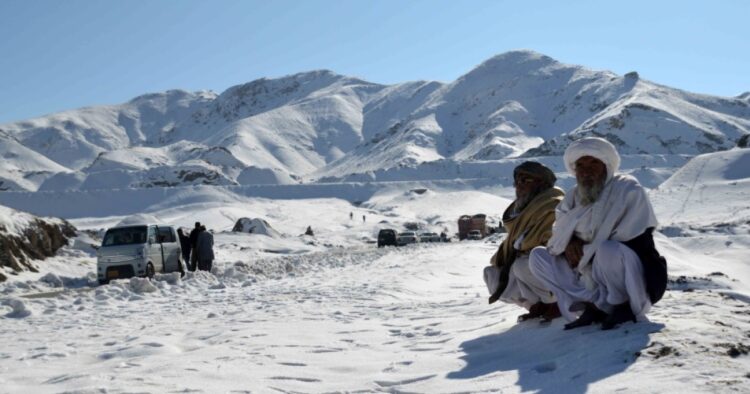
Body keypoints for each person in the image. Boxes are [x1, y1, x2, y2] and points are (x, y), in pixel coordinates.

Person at [529, 137, 668, 330]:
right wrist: (569, 242)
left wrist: (580, 248)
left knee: (607, 250)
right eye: (581, 164)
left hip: (625, 268)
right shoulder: (572, 197)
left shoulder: (627, 188)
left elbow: (627, 236)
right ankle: (593, 304)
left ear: (607, 165)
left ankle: (621, 305)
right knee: (538, 256)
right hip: (585, 270)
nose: (586, 170)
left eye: (594, 162)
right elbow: (557, 236)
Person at [483, 161, 565, 322]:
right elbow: (516, 241)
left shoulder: (553, 203)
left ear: (541, 183)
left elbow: (553, 236)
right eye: (517, 181)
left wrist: (525, 245)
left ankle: (557, 303)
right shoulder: (524, 209)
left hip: (555, 261)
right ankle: (536, 305)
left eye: (525, 180)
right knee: (493, 274)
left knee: (524, 264)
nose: (518, 185)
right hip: (526, 258)